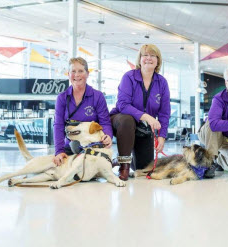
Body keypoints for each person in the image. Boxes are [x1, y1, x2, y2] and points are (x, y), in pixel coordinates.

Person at [110, 44, 171, 181]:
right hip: (121, 122)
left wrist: (162, 136)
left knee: (143, 168)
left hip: (143, 128)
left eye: (152, 55)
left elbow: (164, 113)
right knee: (128, 120)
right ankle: (124, 166)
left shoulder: (162, 82)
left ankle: (118, 159)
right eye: (145, 55)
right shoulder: (129, 77)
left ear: (158, 60)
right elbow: (123, 104)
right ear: (139, 59)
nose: (148, 58)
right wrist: (147, 117)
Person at [53, 57, 113, 166]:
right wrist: (59, 151)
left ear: (87, 74)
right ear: (68, 74)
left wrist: (108, 135)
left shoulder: (97, 96)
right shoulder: (62, 98)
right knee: (56, 168)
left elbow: (105, 122)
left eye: (80, 71)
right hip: (71, 145)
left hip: (92, 145)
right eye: (73, 71)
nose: (77, 75)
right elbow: (58, 125)